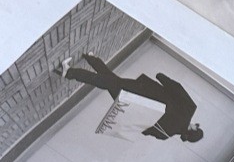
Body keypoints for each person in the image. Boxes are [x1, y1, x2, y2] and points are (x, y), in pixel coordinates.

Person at [58, 53, 204, 143]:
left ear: (193, 128)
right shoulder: (166, 134)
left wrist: (161, 77)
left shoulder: (190, 108)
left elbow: (176, 88)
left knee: (109, 82)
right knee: (112, 82)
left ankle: (69, 72)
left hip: (144, 90)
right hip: (131, 105)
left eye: (196, 126)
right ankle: (92, 59)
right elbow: (144, 129)